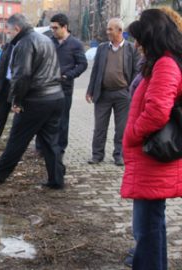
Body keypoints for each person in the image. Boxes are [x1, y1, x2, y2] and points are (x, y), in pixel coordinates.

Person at [122, 7, 182, 269]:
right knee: (151, 223)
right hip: (150, 155)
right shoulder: (162, 61)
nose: (136, 45)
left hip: (152, 154)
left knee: (146, 226)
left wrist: (133, 134)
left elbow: (157, 112)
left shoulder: (166, 64)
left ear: (151, 36)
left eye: (139, 39)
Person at [0, 13, 65, 189]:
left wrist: (16, 101)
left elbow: (22, 75)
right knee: (50, 142)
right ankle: (56, 180)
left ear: (17, 29)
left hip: (36, 100)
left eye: (9, 31)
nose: (8, 34)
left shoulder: (24, 43)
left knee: (17, 139)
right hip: (56, 97)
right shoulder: (46, 40)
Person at [86, 18, 140, 166]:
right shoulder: (103, 48)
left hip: (123, 95)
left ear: (120, 31)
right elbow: (95, 71)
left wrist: (131, 91)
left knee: (122, 128)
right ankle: (97, 155)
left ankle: (119, 155)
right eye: (108, 29)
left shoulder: (132, 49)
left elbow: (137, 71)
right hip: (103, 94)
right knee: (99, 127)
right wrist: (90, 90)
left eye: (111, 29)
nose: (107, 32)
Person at [37, 13, 87, 160]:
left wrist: (68, 75)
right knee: (43, 119)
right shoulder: (48, 42)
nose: (53, 31)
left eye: (55, 28)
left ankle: (59, 149)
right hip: (46, 88)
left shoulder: (76, 44)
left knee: (62, 120)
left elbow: (83, 64)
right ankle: (41, 148)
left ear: (65, 27)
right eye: (51, 28)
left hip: (65, 88)